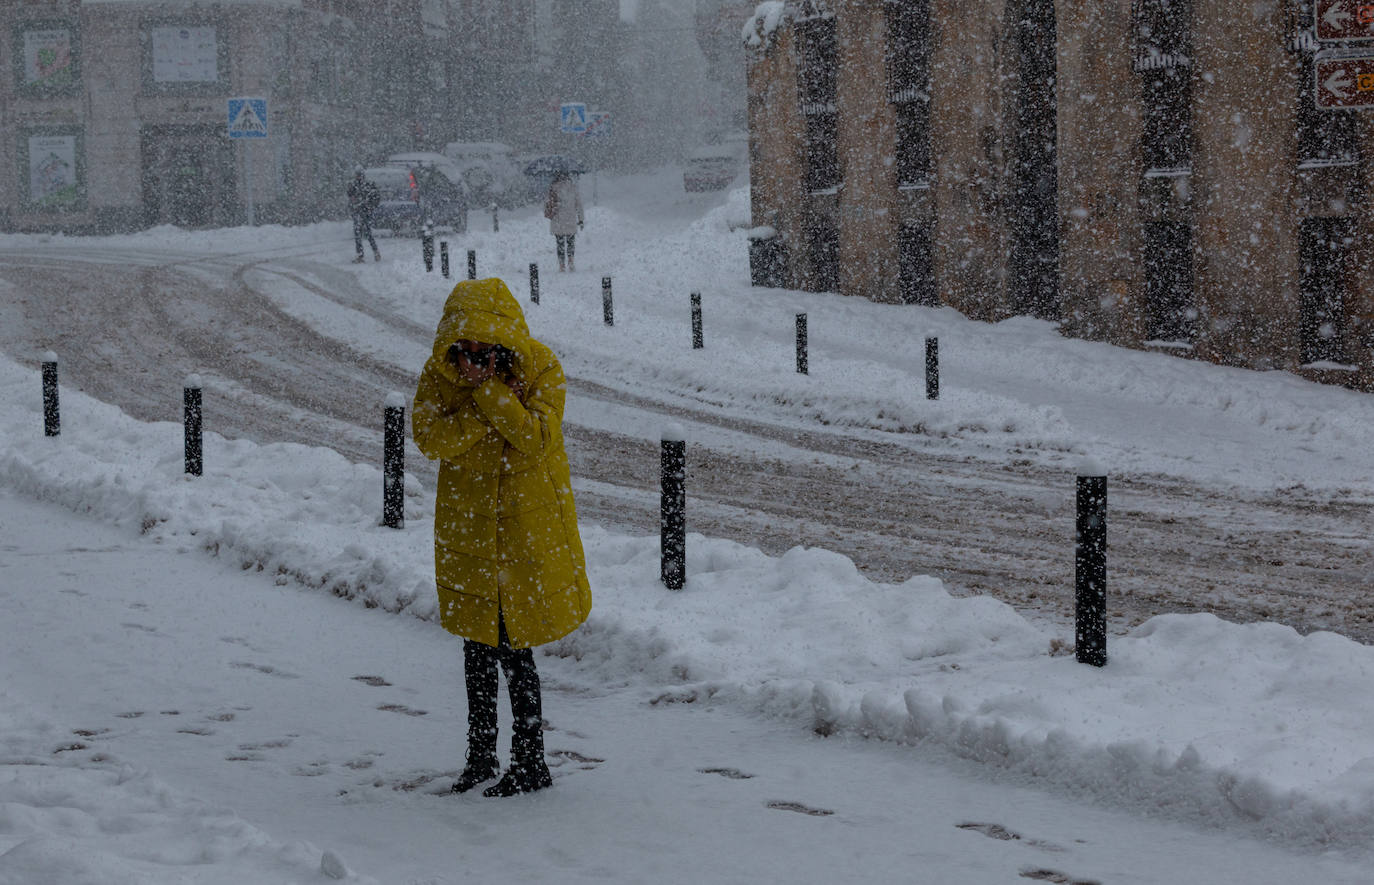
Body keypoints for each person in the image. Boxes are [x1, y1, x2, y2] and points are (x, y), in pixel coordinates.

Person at [411, 277, 592, 797]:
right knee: (476, 650)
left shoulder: (541, 368)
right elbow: (429, 438)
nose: (472, 361)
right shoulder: (441, 378)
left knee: (517, 651)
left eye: (484, 351)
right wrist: (481, 404)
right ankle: (481, 756)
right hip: (470, 536)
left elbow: (536, 438)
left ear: (503, 344)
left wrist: (490, 393)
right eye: (464, 350)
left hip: (523, 533)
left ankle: (532, 761)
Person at [543, 169, 584, 271]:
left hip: (558, 220)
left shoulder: (553, 188)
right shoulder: (573, 188)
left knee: (560, 243)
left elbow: (547, 204)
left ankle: (561, 265)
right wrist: (581, 219)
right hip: (570, 219)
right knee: (571, 242)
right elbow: (579, 205)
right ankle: (571, 261)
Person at [347, 166, 381, 263]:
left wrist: (369, 206)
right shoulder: (355, 185)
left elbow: (376, 198)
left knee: (366, 233)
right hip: (358, 212)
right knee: (359, 233)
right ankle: (362, 255)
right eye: (357, 175)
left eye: (359, 175)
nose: (358, 177)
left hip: (365, 212)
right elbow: (350, 196)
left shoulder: (368, 185)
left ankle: (373, 252)